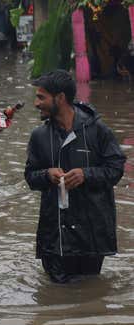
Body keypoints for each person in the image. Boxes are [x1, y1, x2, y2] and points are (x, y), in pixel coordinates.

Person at [24, 70, 126, 283]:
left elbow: (116, 169)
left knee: (90, 291)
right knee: (56, 294)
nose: (36, 103)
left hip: (92, 234)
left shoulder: (98, 130)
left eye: (41, 97)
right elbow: (31, 177)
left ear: (60, 98)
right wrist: (46, 174)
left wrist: (86, 174)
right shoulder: (39, 136)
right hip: (54, 236)